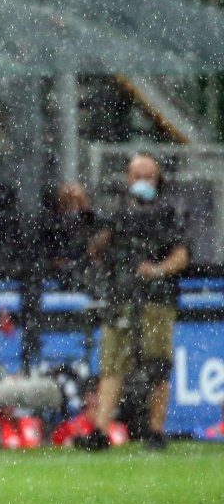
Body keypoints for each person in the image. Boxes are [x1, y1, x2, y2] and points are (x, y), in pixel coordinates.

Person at [79, 154, 188, 451]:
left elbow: (181, 255)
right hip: (120, 299)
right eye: (136, 176)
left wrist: (157, 270)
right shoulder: (116, 211)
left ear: (158, 178)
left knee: (157, 365)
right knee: (112, 366)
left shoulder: (169, 210)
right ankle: (100, 432)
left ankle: (155, 432)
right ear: (128, 179)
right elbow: (95, 248)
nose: (141, 182)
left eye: (147, 176)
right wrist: (96, 222)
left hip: (155, 299)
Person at [51, 376, 128, 447]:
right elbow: (55, 449)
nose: (96, 398)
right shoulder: (69, 427)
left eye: (100, 393)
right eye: (92, 393)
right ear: (85, 397)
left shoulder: (117, 427)